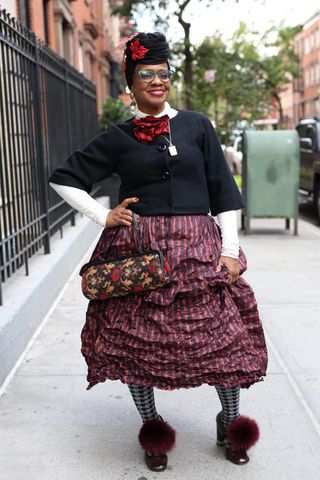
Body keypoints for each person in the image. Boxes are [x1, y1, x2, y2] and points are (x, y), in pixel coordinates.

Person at [48, 32, 268, 472]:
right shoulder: (117, 137)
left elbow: (224, 193)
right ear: (130, 84)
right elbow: (64, 178)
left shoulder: (197, 126)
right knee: (138, 348)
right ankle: (152, 429)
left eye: (163, 75)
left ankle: (229, 420)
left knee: (219, 342)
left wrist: (229, 251)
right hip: (140, 256)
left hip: (198, 250)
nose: (157, 82)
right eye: (146, 75)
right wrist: (103, 216)